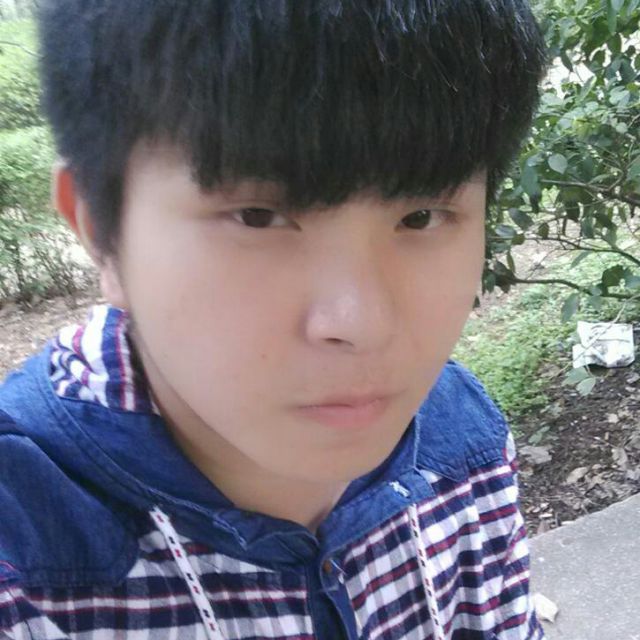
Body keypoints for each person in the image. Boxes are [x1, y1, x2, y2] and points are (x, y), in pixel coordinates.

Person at [0, 1, 548, 638]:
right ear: (100, 231)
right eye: (258, 217)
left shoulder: (466, 442)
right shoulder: (24, 560)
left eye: (420, 217)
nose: (360, 323)